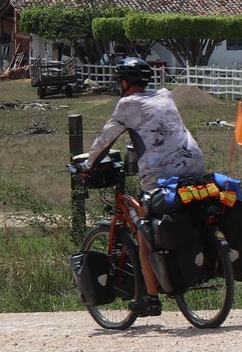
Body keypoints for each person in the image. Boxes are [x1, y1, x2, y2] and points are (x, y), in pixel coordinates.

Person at [76, 56, 208, 317]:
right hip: (195, 165)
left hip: (161, 172)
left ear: (123, 82)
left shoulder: (127, 104)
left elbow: (106, 138)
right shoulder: (165, 95)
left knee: (144, 234)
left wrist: (88, 165)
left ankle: (150, 298)